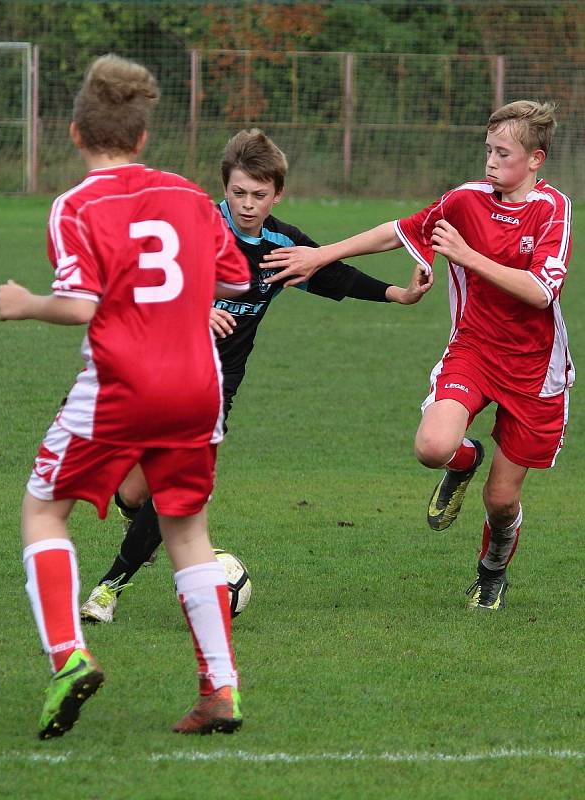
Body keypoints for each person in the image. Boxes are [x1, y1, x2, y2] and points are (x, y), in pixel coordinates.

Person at [0, 54, 252, 739]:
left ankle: (69, 657)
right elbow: (231, 279)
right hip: (198, 386)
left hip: (120, 387)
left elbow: (81, 305)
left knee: (43, 514)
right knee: (188, 532)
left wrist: (25, 304)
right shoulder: (191, 197)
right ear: (142, 137)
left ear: (75, 134)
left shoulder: (75, 205)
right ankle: (219, 690)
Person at [80, 127, 433, 624]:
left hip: (213, 387)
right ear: (223, 188)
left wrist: (399, 293)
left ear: (278, 193)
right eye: (238, 193)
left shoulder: (278, 244)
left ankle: (108, 590)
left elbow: (331, 273)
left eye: (259, 195)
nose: (248, 205)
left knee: (173, 488)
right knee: (135, 492)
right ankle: (135, 516)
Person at [261, 101, 573, 611]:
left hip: (537, 371)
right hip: (472, 350)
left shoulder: (553, 210)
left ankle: (492, 570)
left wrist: (469, 256)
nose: (491, 162)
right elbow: (397, 231)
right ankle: (465, 456)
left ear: (536, 159)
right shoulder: (466, 200)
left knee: (500, 503)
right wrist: (322, 254)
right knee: (432, 446)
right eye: (488, 150)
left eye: (504, 153)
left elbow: (541, 291)